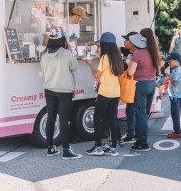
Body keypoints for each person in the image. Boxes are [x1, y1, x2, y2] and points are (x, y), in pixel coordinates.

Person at [40, 27, 82, 159]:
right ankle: (66, 151)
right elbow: (74, 67)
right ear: (62, 39)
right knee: (64, 120)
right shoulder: (66, 53)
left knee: (51, 118)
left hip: (49, 89)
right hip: (64, 90)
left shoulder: (44, 54)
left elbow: (43, 69)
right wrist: (70, 50)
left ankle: (50, 148)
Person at [85, 32, 124, 157]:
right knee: (112, 118)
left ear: (104, 44)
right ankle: (113, 148)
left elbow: (97, 75)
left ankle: (98, 147)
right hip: (115, 92)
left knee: (97, 118)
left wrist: (91, 65)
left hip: (105, 92)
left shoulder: (104, 58)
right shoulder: (118, 56)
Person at [127, 29, 159, 151]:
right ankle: (140, 139)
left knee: (140, 115)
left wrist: (128, 63)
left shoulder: (138, 54)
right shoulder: (154, 52)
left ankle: (143, 142)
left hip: (140, 85)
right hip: (151, 84)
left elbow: (130, 72)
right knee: (144, 114)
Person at [120, 32, 139, 144]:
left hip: (134, 85)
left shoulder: (137, 54)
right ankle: (135, 133)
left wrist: (128, 64)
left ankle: (131, 134)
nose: (124, 42)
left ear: (132, 42)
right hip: (134, 84)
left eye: (126, 40)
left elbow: (133, 70)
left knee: (131, 110)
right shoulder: (130, 52)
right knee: (132, 110)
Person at [163, 52, 181, 138]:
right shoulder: (178, 69)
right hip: (176, 95)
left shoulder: (177, 70)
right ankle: (177, 130)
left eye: (169, 62)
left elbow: (175, 82)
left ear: (176, 61)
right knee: (175, 113)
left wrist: (168, 76)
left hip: (175, 96)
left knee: (175, 114)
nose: (168, 63)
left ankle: (177, 131)